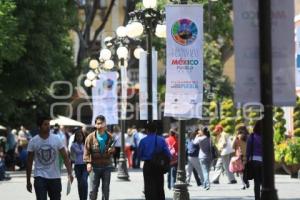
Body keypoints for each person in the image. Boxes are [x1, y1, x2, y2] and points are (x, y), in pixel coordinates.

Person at [26, 116, 73, 200]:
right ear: (39, 126)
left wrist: (70, 173)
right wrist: (28, 180)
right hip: (39, 176)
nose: (48, 126)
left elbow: (65, 157)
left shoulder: (56, 139)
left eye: (48, 124)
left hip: (55, 177)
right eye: (45, 124)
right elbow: (29, 162)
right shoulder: (33, 141)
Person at [83, 115, 115, 200]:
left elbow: (112, 150)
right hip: (94, 167)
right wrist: (88, 163)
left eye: (102, 123)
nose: (100, 126)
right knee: (92, 191)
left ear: (105, 124)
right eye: (98, 123)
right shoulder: (90, 137)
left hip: (106, 167)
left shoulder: (110, 137)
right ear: (95, 125)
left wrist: (111, 150)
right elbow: (87, 151)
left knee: (105, 190)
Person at [138, 122, 171, 200]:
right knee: (159, 185)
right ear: (156, 130)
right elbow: (168, 154)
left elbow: (139, 155)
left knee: (148, 186)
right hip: (159, 165)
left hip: (148, 165)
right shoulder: (161, 140)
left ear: (147, 130)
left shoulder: (143, 141)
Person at [246, 120, 263, 200]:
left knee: (256, 182)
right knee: (264, 182)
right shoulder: (266, 137)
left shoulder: (252, 136)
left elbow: (248, 150)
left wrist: (246, 160)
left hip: (254, 161)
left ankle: (257, 198)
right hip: (264, 162)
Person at [71, 128, 88, 200]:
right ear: (75, 137)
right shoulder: (73, 145)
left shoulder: (86, 144)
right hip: (77, 166)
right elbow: (72, 157)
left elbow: (88, 154)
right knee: (80, 183)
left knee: (84, 181)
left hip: (85, 165)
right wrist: (70, 169)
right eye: (77, 136)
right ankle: (81, 198)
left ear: (83, 136)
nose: (79, 137)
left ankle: (85, 198)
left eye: (80, 136)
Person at [232, 125, 249, 189]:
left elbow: (232, 146)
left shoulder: (237, 137)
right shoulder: (249, 136)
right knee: (246, 169)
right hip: (248, 155)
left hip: (239, 155)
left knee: (240, 171)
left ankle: (243, 184)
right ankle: (246, 181)